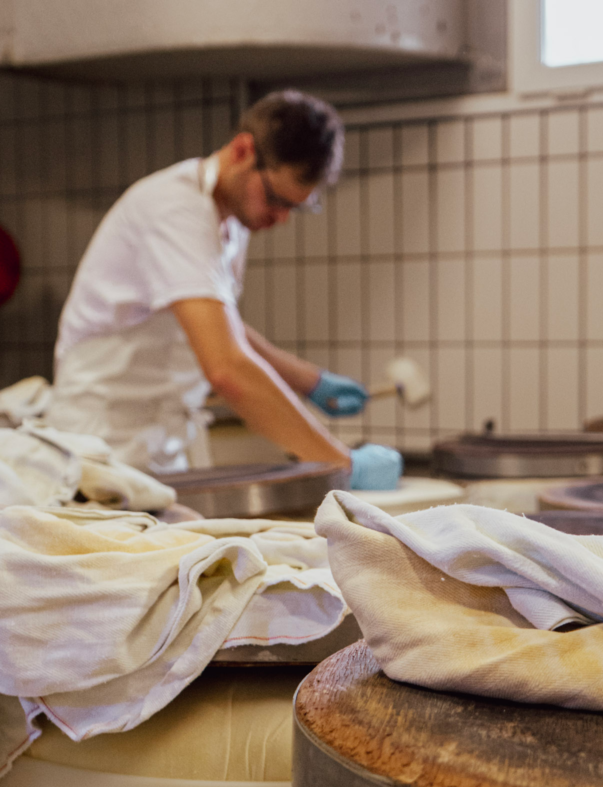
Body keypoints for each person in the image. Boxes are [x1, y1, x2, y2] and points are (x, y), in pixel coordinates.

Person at [44, 90, 402, 490]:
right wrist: (341, 464)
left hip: (159, 450)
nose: (281, 219)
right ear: (243, 150)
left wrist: (309, 380)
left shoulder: (228, 219)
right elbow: (227, 368)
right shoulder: (175, 210)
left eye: (293, 208)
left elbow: (219, 325)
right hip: (99, 448)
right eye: (275, 199)